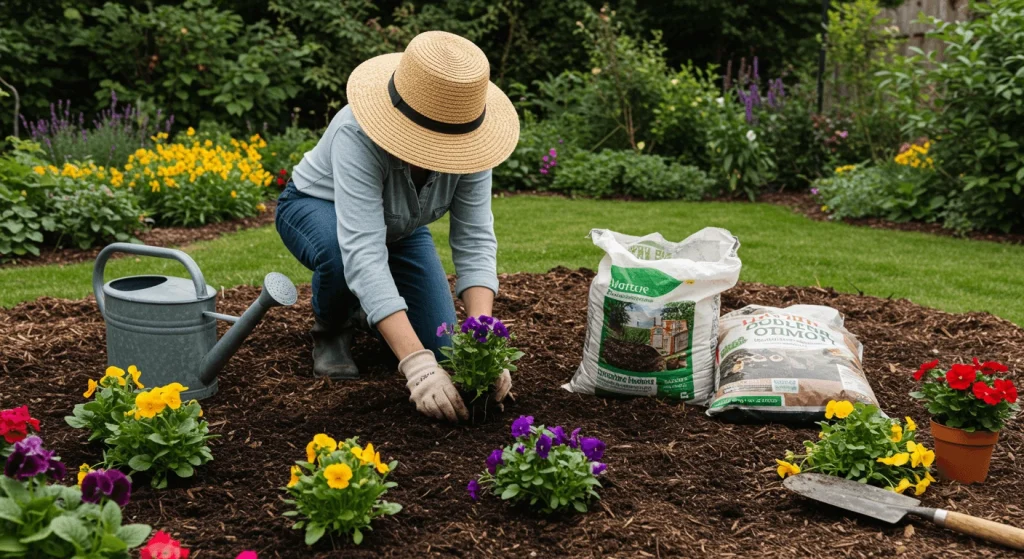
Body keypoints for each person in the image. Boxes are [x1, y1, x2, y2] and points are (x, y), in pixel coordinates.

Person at [275, 31, 520, 422]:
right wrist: (414, 364)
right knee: (340, 259)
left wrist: (482, 341)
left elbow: (474, 240)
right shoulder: (355, 132)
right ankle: (332, 326)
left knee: (443, 346)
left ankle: (367, 309)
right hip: (316, 206)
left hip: (400, 228)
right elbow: (362, 252)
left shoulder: (472, 139)